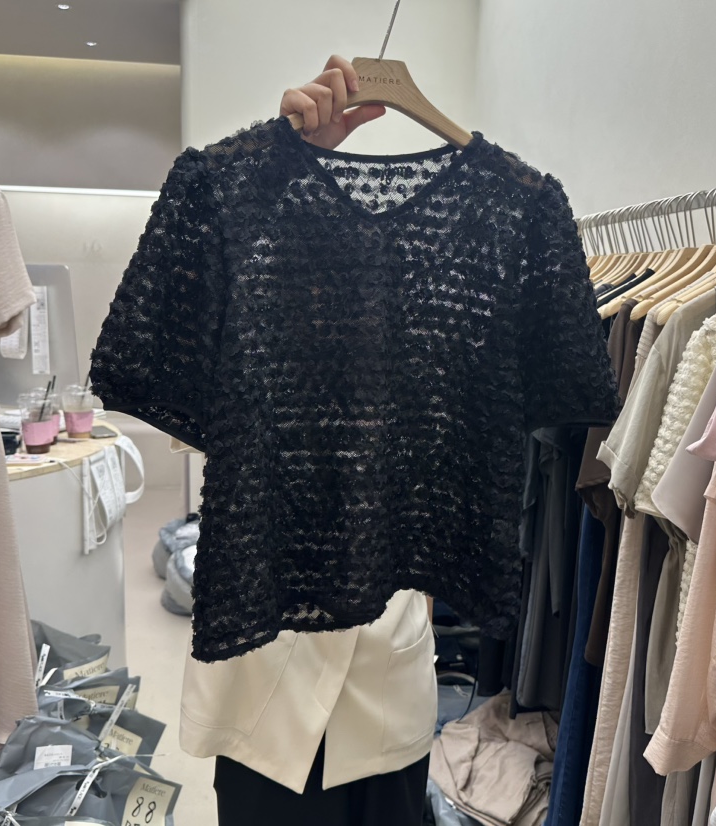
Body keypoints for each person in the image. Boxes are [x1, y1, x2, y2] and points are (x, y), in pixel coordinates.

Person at [177, 56, 438, 826]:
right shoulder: (244, 308)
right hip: (267, 683)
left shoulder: (448, 306)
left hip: (385, 689)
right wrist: (279, 162)